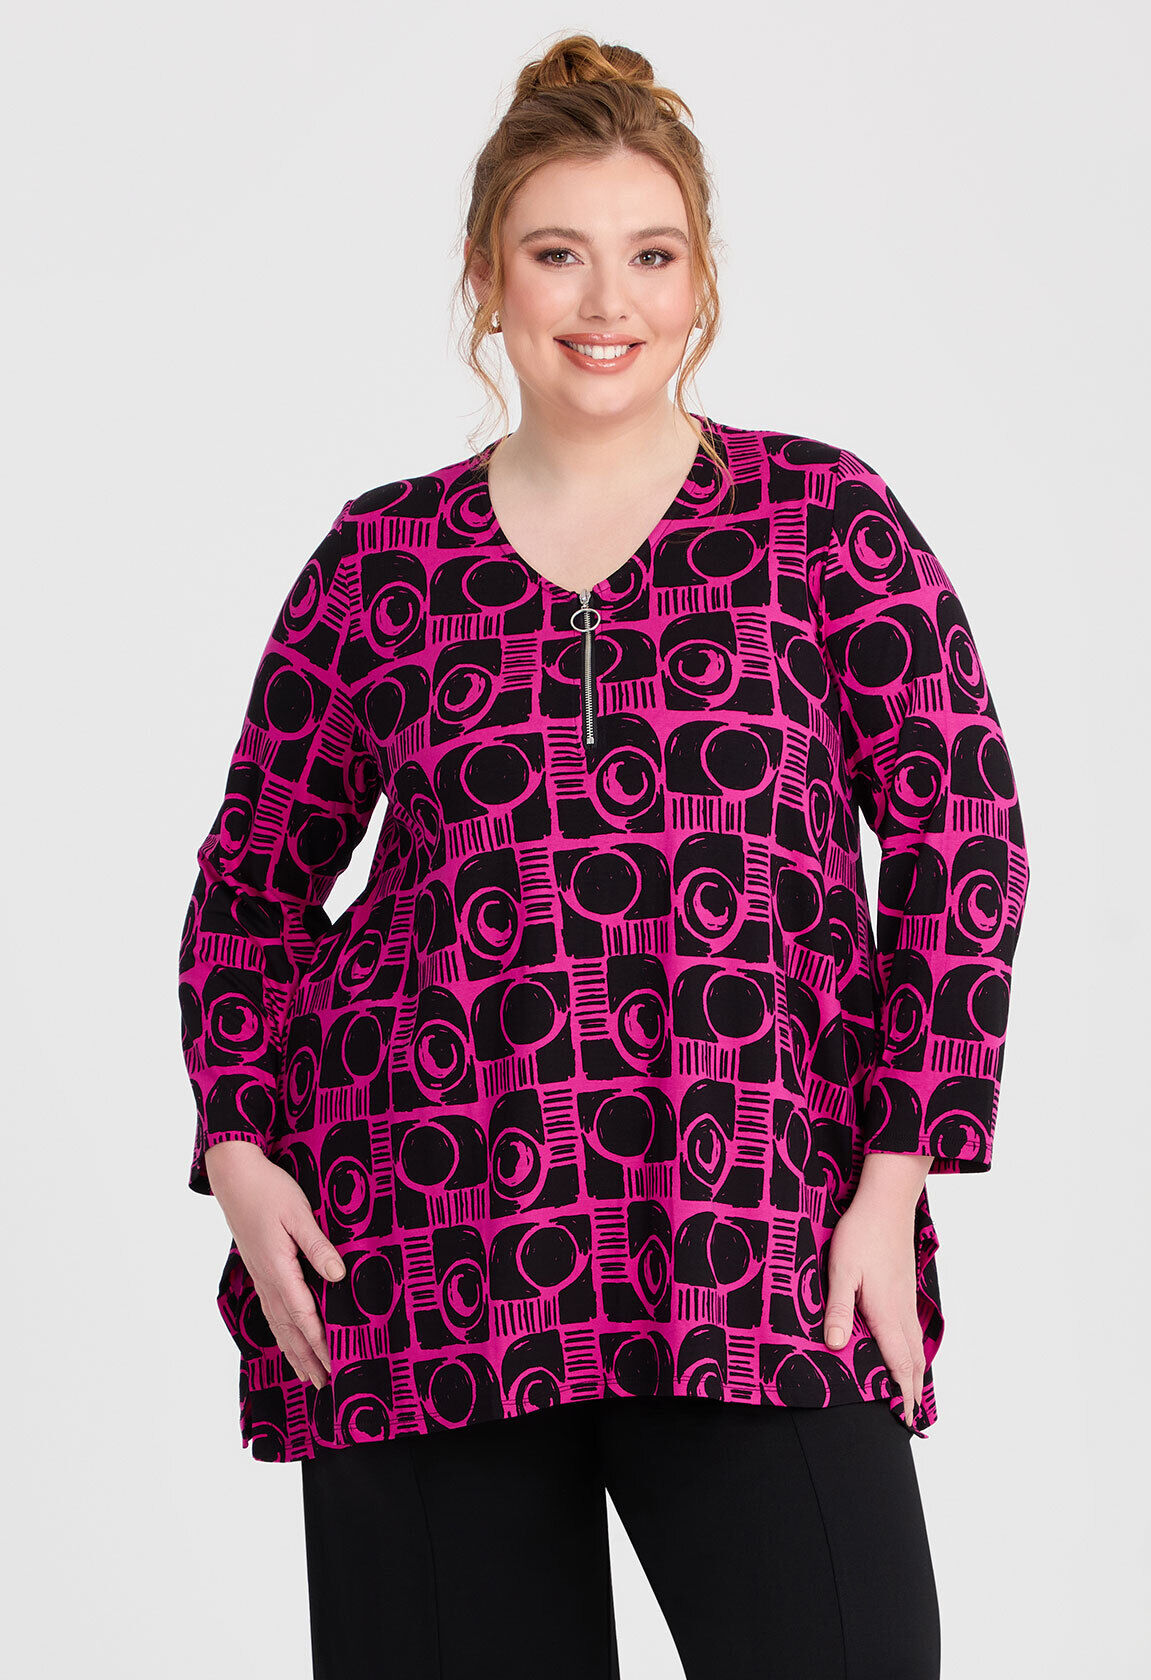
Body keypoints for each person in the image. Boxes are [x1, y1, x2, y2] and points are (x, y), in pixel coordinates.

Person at [178, 33, 1031, 1680]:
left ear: (699, 281)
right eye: (557, 252)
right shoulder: (383, 561)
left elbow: (964, 840)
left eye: (650, 254)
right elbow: (253, 882)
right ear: (488, 276)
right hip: (425, 1246)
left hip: (752, 1230)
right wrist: (237, 1144)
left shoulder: (822, 525)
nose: (605, 300)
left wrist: (896, 1178)